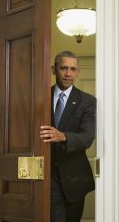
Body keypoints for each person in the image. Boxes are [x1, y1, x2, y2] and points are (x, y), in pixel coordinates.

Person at [40, 51, 96, 222]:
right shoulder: (40, 97)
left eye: (73, 69)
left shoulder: (88, 101)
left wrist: (62, 136)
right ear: (53, 69)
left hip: (75, 179)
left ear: (77, 72)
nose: (68, 73)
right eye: (64, 68)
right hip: (48, 175)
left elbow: (87, 138)